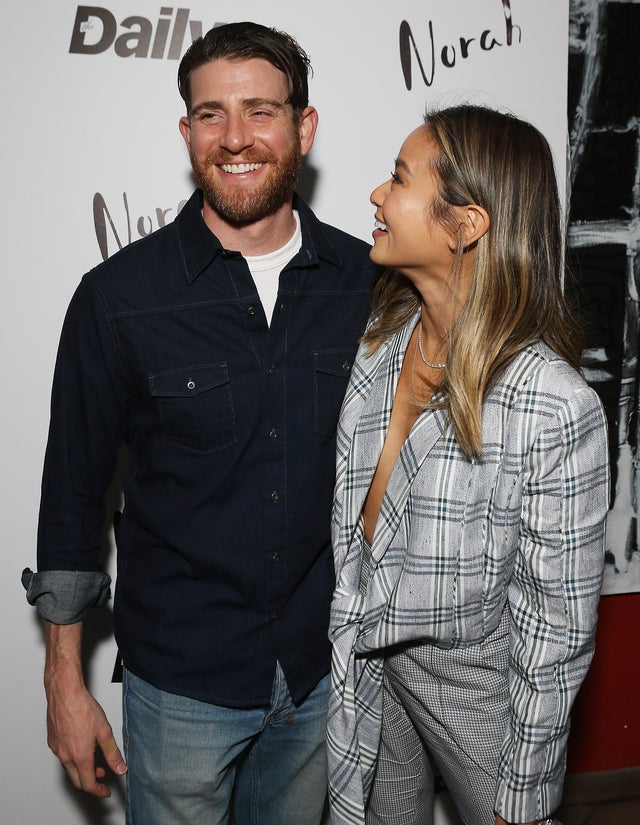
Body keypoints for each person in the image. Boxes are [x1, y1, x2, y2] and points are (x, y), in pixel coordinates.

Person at [22, 21, 376, 825]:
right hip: (181, 678)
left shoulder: (369, 285)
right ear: (186, 132)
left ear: (303, 127)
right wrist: (63, 684)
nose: (237, 138)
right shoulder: (118, 298)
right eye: (211, 115)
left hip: (324, 674)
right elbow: (71, 500)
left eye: (260, 111)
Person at [327, 105, 610, 825]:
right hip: (370, 667)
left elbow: (556, 628)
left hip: (480, 693)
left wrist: (523, 794)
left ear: (466, 223)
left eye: (398, 179)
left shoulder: (550, 402)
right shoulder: (380, 344)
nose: (376, 196)